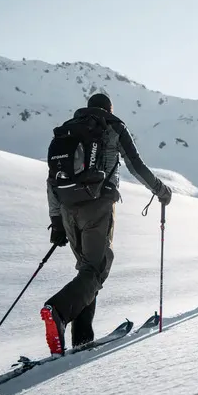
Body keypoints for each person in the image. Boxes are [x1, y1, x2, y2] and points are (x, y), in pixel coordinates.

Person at [41, 93, 172, 355]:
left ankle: (82, 339)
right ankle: (58, 310)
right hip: (98, 205)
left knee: (87, 273)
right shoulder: (113, 126)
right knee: (96, 271)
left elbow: (51, 179)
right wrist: (161, 190)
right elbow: (136, 166)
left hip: (67, 208)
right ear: (108, 109)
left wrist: (56, 221)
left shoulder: (68, 130)